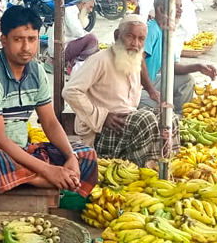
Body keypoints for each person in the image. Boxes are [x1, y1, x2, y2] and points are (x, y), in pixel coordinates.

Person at [0, 6, 98, 196]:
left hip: (21, 153)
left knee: (86, 153)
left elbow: (49, 122)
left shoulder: (37, 71)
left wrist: (70, 156)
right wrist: (48, 170)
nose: (26, 48)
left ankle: (30, 179)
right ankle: (41, 181)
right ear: (4, 41)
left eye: (32, 39)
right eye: (18, 40)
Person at [63, 14, 179, 168]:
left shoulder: (132, 59)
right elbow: (70, 91)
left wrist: (153, 93)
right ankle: (137, 170)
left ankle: (162, 166)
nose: (135, 44)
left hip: (126, 126)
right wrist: (102, 116)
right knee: (144, 119)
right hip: (102, 131)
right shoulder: (101, 59)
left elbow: (141, 71)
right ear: (117, 35)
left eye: (141, 39)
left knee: (169, 117)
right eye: (130, 37)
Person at [138, 0, 217, 113]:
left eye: (181, 7)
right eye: (176, 7)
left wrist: (198, 67)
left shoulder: (166, 33)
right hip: (136, 87)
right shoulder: (151, 30)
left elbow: (172, 66)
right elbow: (139, 60)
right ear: (161, 10)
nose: (180, 11)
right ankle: (169, 118)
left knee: (186, 80)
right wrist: (151, 91)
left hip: (150, 82)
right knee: (162, 109)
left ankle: (178, 118)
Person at [63, 0, 99, 74]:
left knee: (91, 41)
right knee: (92, 38)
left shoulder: (76, 12)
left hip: (67, 46)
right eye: (90, 7)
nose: (90, 10)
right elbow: (78, 33)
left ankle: (81, 65)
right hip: (61, 50)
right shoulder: (70, 11)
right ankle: (77, 66)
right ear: (83, 4)